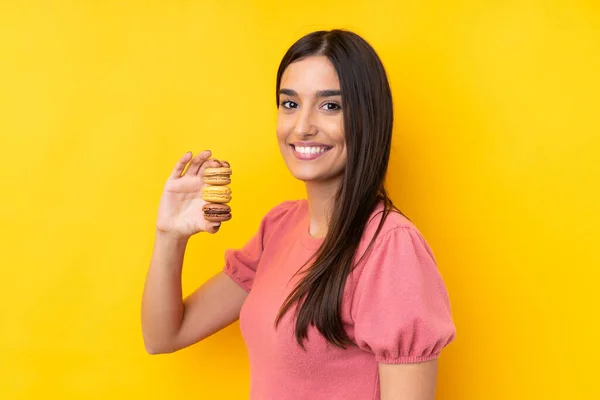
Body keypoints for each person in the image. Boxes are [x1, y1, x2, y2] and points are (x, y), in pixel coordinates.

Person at [141, 29, 456, 399]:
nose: (302, 127)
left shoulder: (390, 247)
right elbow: (163, 336)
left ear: (367, 118)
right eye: (290, 104)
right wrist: (169, 236)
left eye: (330, 106)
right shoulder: (279, 227)